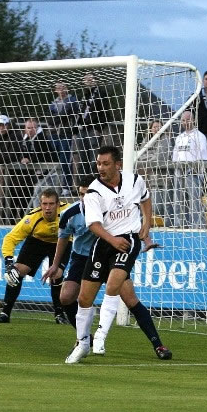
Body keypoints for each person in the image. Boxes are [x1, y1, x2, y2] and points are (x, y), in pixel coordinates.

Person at [42, 177, 172, 360]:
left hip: (110, 256)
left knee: (131, 300)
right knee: (66, 297)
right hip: (82, 258)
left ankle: (158, 345)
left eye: (88, 193)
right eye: (81, 194)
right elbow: (63, 239)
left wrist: (147, 239)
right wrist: (56, 265)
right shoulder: (70, 214)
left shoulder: (108, 206)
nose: (85, 198)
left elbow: (128, 223)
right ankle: (84, 339)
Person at [63, 146, 153, 364]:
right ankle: (83, 343)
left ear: (117, 164)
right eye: (98, 164)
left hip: (128, 240)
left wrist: (147, 223)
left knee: (113, 285)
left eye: (105, 163)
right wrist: (112, 241)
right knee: (84, 298)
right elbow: (94, 225)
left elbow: (146, 198)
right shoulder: (93, 191)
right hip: (105, 242)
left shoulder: (135, 180)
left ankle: (100, 335)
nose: (101, 168)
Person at [0, 188, 71, 325]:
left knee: (57, 274)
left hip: (61, 241)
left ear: (58, 204)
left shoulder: (68, 212)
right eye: (44, 204)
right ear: (40, 205)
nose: (47, 208)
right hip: (37, 241)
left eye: (51, 204)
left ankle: (59, 314)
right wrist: (9, 262)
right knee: (16, 272)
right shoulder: (32, 218)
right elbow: (10, 238)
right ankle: (5, 313)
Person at [172, 111, 207, 228]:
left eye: (188, 119)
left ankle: (197, 226)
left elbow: (202, 156)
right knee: (178, 201)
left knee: (194, 201)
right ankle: (179, 225)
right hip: (179, 173)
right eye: (183, 120)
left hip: (193, 173)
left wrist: (194, 169)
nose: (185, 122)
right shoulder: (179, 137)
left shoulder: (200, 136)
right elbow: (175, 156)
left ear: (193, 120)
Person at [0, 115, 24, 224]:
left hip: (24, 176)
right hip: (9, 175)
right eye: (0, 125)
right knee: (7, 207)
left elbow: (13, 156)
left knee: (24, 206)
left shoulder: (16, 135)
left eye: (4, 125)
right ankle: (7, 227)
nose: (2, 127)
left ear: (8, 125)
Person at [73, 73, 110, 177]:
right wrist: (75, 129)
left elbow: (105, 112)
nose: (88, 80)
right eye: (86, 79)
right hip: (81, 130)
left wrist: (98, 128)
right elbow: (79, 112)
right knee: (82, 158)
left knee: (94, 159)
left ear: (95, 80)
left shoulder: (100, 93)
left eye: (91, 78)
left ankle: (94, 181)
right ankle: (83, 182)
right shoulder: (83, 95)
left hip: (93, 129)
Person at [137, 119, 173, 225]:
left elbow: (160, 158)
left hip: (166, 178)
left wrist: (149, 156)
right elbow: (141, 156)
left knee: (165, 205)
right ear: (150, 129)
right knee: (157, 207)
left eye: (159, 126)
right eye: (154, 127)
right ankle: (169, 223)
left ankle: (170, 225)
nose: (156, 129)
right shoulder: (147, 140)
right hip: (153, 178)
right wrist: (152, 155)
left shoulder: (165, 139)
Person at [49, 82, 79, 196]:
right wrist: (59, 117)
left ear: (67, 88)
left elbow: (68, 113)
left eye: (63, 87)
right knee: (56, 158)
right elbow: (51, 119)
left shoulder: (72, 101)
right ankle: (56, 184)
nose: (60, 89)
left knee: (66, 159)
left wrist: (58, 117)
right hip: (55, 134)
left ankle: (67, 186)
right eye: (58, 88)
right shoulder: (53, 103)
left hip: (67, 133)